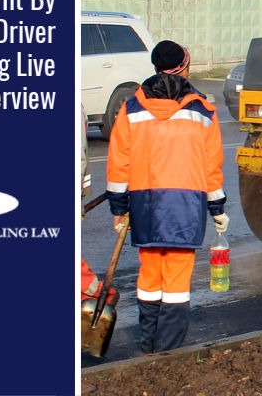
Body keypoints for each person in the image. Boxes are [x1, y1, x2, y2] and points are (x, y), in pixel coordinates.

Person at [105, 39, 228, 354]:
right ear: (184, 67)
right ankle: (169, 351)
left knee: (149, 274)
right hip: (185, 206)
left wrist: (119, 209)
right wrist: (217, 208)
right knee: (176, 278)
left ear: (155, 68)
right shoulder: (202, 109)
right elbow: (211, 166)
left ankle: (148, 346)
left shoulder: (131, 108)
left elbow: (119, 163)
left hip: (146, 205)